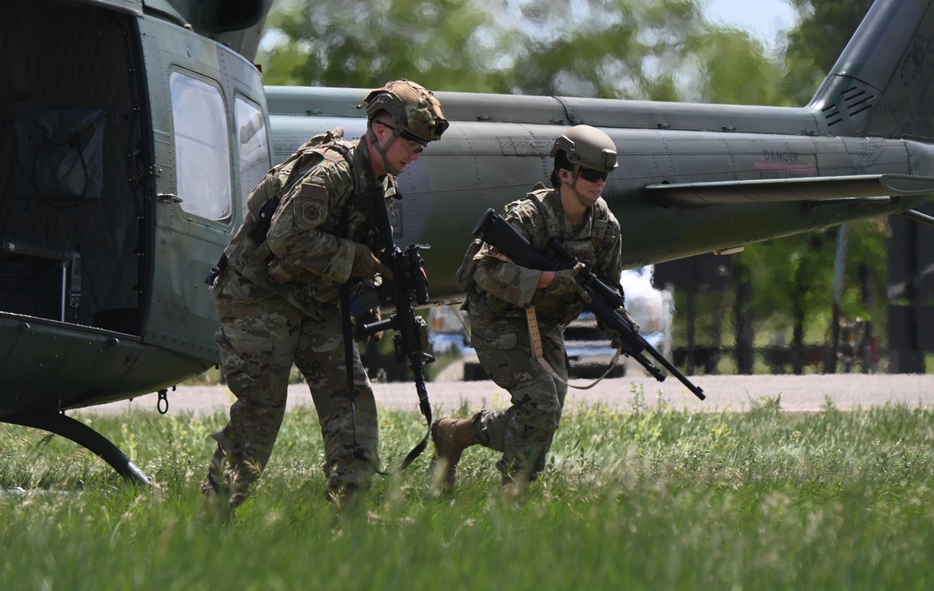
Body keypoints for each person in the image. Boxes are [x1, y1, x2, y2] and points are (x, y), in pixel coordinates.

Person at [203, 79, 449, 515]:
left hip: (313, 301)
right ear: (379, 130)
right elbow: (285, 239)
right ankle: (213, 519)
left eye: (422, 147)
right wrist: (362, 260)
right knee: (261, 410)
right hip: (258, 297)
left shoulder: (381, 183)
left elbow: (350, 247)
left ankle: (349, 515)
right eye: (411, 142)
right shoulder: (331, 173)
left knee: (352, 401)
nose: (415, 153)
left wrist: (370, 288)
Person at [435, 125, 636, 492]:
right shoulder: (527, 216)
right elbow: (483, 271)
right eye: (591, 175)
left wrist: (620, 328)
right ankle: (515, 491)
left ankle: (455, 435)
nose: (599, 184)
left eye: (604, 176)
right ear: (564, 173)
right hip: (497, 319)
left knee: (545, 412)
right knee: (541, 404)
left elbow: (608, 291)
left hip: (545, 323)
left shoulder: (606, 227)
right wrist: (549, 279)